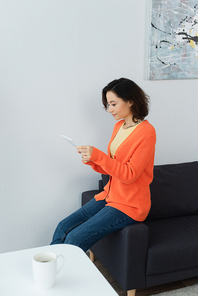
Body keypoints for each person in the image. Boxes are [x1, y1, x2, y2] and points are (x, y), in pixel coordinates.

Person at [50, 78, 156, 252]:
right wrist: (92, 160)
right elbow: (113, 166)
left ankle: (59, 274)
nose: (110, 110)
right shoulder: (118, 126)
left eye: (113, 104)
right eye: (108, 104)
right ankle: (47, 269)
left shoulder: (147, 132)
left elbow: (129, 174)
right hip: (110, 195)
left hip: (129, 205)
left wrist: (98, 155)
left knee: (75, 237)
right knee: (63, 226)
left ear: (130, 100)